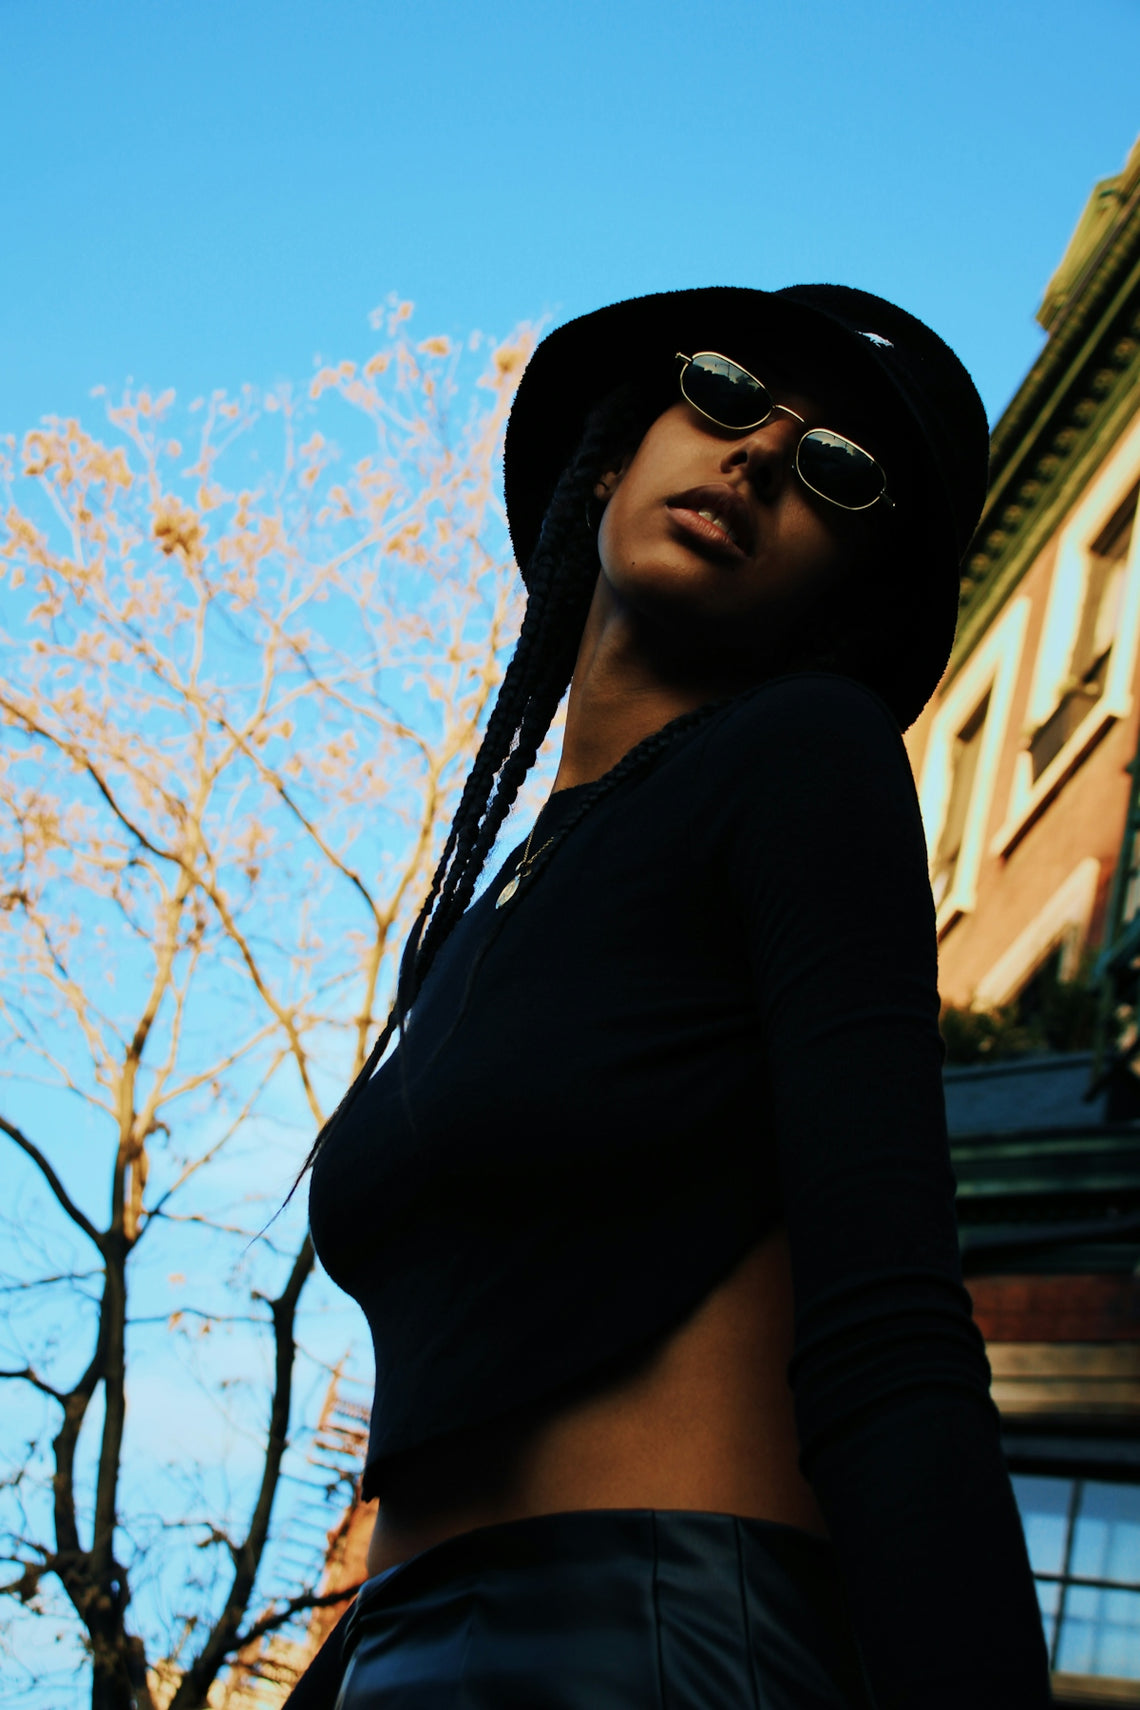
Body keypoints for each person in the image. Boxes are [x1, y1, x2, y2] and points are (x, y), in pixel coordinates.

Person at [289, 285, 1055, 1708]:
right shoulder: (485, 913)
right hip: (399, 1646)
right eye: (722, 390)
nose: (760, 451)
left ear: (848, 586)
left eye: (836, 469)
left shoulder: (804, 763)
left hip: (663, 1637)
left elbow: (889, 1318)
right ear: (614, 449)